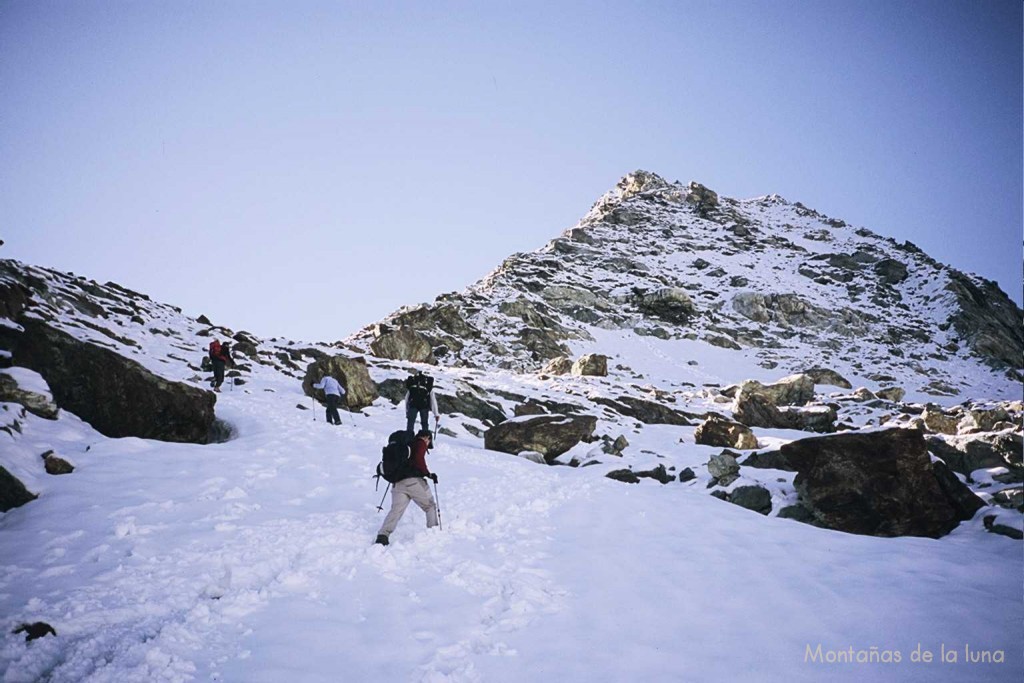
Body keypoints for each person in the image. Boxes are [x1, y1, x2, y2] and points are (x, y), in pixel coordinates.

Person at [375, 429, 438, 545]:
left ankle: (383, 535)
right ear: (426, 438)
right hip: (413, 481)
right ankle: (434, 533)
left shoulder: (406, 445)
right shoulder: (420, 442)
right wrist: (428, 474)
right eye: (429, 442)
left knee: (396, 510)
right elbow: (419, 459)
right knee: (430, 506)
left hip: (398, 483)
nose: (427, 444)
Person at [404, 371, 438, 436]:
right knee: (424, 423)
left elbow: (406, 398)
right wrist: (436, 414)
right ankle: (425, 439)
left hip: (413, 404)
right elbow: (433, 400)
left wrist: (407, 410)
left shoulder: (412, 385)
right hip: (424, 405)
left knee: (410, 422)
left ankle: (408, 438)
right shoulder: (427, 385)